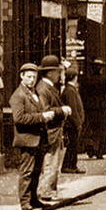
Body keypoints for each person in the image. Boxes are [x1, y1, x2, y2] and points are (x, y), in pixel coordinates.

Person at [10, 63, 58, 210]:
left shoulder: (34, 93)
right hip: (27, 139)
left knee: (37, 170)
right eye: (29, 77)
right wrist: (42, 117)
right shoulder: (18, 95)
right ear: (21, 76)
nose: (31, 80)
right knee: (27, 171)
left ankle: (34, 198)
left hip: (38, 139)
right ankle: (25, 201)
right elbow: (19, 118)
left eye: (34, 77)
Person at [36, 56, 70, 202]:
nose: (59, 75)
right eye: (57, 72)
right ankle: (46, 191)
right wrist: (62, 110)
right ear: (49, 73)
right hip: (51, 131)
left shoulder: (49, 87)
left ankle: (50, 189)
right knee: (51, 161)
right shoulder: (43, 89)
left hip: (56, 131)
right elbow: (45, 110)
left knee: (55, 162)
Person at [78, 58, 106, 158]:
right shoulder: (105, 79)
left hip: (89, 107)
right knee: (101, 129)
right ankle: (100, 151)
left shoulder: (86, 79)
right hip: (101, 107)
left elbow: (82, 93)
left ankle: (91, 149)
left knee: (90, 129)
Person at [60, 62, 86, 173]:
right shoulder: (70, 91)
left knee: (74, 145)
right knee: (72, 146)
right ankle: (68, 166)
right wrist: (78, 123)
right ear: (74, 78)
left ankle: (72, 165)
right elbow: (73, 109)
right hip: (72, 124)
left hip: (73, 123)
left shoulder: (70, 89)